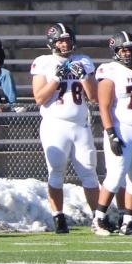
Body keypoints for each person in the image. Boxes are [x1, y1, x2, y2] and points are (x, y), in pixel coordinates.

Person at [31, 23, 100, 236]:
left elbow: (94, 96)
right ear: (52, 42)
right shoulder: (43, 62)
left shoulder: (83, 61)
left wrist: (84, 77)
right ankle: (58, 217)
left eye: (68, 40)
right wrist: (55, 79)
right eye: (61, 40)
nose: (65, 44)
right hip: (55, 124)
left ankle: (99, 217)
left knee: (89, 172)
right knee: (56, 171)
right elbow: (39, 98)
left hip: (80, 124)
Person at [94, 32, 132, 236]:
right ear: (116, 51)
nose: (127, 53)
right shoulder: (109, 70)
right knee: (115, 175)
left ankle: (128, 223)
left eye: (130, 49)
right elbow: (104, 106)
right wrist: (111, 132)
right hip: (122, 129)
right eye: (123, 50)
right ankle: (98, 219)